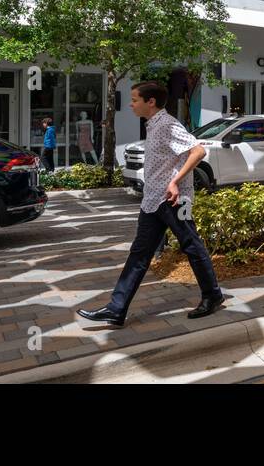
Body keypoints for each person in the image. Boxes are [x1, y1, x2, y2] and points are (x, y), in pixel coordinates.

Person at [77, 82, 225, 327]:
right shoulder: (153, 125)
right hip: (153, 200)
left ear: (151, 102)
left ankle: (212, 295)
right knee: (139, 253)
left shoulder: (167, 124)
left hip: (173, 200)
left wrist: (175, 181)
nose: (131, 104)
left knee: (192, 246)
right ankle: (116, 309)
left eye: (135, 100)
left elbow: (198, 151)